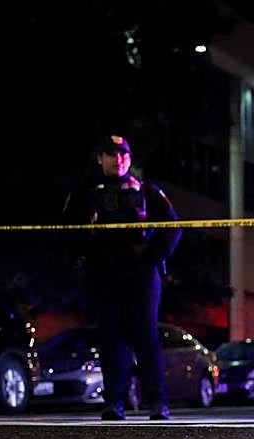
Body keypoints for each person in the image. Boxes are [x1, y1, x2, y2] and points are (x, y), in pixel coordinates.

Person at [67, 135, 180, 421]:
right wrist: (85, 256)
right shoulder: (86, 193)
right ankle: (114, 403)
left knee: (146, 335)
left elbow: (173, 227)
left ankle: (157, 403)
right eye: (110, 154)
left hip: (140, 272)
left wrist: (152, 257)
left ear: (129, 159)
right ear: (99, 159)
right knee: (110, 336)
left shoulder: (146, 190)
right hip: (102, 271)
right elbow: (67, 229)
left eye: (122, 155)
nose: (117, 160)